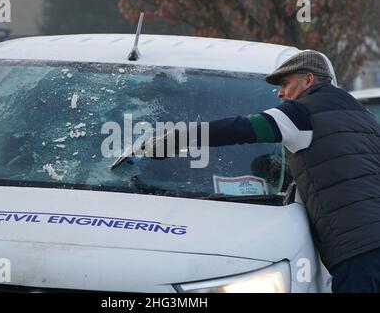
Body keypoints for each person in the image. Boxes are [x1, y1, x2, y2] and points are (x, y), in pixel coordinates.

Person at [142, 50, 380, 293]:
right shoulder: (363, 115)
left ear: (308, 80)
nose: (280, 93)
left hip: (356, 249)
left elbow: (239, 128)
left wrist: (175, 139)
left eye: (286, 84)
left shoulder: (301, 113)